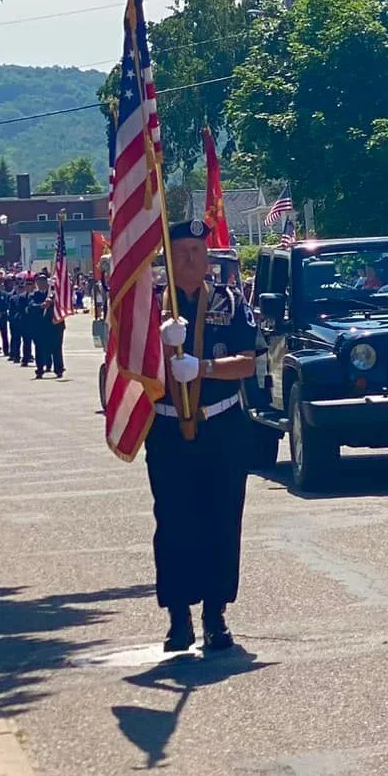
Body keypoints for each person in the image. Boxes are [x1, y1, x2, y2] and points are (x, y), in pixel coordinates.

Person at [145, 220, 260, 652]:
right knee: (174, 522)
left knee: (221, 519)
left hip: (221, 425)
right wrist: (159, 347)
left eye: (197, 250)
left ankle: (215, 614)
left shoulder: (231, 302)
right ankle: (178, 618)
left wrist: (204, 367)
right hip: (168, 427)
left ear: (208, 256)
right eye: (181, 251)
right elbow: (129, 367)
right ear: (168, 259)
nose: (190, 259)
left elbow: (247, 362)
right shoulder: (151, 307)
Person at [31, 271, 65, 380]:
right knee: (39, 349)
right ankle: (40, 369)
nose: (41, 283)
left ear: (47, 282)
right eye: (39, 281)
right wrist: (41, 306)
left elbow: (61, 306)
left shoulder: (54, 295)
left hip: (54, 326)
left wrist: (52, 302)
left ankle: (59, 369)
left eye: (43, 281)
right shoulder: (34, 295)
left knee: (56, 348)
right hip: (40, 327)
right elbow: (30, 307)